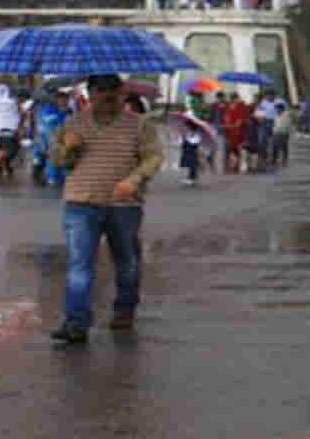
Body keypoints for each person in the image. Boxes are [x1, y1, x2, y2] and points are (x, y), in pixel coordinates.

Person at [49, 74, 164, 346]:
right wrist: (69, 148)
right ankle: (77, 322)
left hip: (125, 205)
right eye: (101, 90)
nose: (108, 95)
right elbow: (57, 161)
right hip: (81, 203)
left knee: (127, 263)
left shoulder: (140, 125)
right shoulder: (72, 124)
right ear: (90, 93)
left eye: (113, 90)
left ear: (122, 93)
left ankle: (125, 308)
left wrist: (134, 179)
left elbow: (154, 157)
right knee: (80, 265)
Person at [34, 92, 72, 186]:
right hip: (47, 139)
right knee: (54, 152)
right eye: (62, 99)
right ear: (56, 99)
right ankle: (51, 177)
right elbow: (49, 127)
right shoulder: (49, 110)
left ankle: (57, 176)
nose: (65, 101)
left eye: (66, 99)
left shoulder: (66, 110)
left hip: (56, 139)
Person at [255, 91, 278, 165]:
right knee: (262, 141)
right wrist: (260, 120)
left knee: (274, 142)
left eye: (271, 95)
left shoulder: (277, 103)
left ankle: (274, 158)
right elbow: (258, 113)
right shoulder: (262, 103)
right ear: (266, 96)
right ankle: (263, 156)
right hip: (264, 122)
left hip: (274, 122)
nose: (270, 97)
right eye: (268, 95)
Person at [179, 121, 204, 187]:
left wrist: (186, 138)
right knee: (189, 165)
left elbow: (194, 142)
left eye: (187, 127)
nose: (186, 128)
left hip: (193, 152)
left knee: (193, 165)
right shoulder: (187, 134)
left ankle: (192, 178)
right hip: (187, 151)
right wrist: (183, 137)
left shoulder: (197, 135)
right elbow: (181, 143)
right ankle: (191, 178)